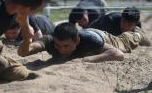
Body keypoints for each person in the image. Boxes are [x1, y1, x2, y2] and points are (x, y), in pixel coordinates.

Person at [18, 22, 150, 62]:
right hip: (87, 32)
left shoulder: (89, 41)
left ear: (77, 41)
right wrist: (27, 39)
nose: (61, 49)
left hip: (104, 37)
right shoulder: (50, 40)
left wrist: (85, 60)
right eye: (58, 45)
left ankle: (138, 31)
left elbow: (118, 54)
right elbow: (23, 52)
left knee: (130, 39)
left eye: (66, 46)